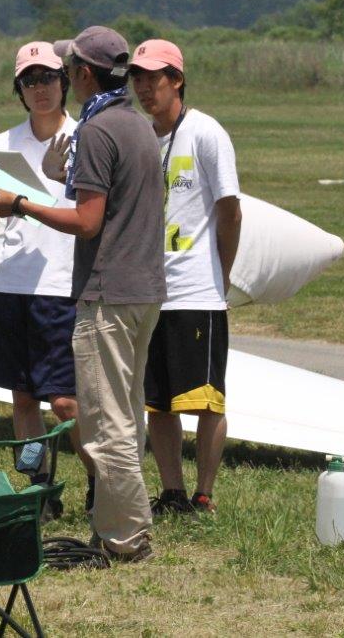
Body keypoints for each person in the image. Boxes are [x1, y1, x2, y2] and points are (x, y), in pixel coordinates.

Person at [0, 26, 165, 563]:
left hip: (107, 294)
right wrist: (59, 181)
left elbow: (89, 222)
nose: (61, 78)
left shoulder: (95, 130)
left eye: (66, 70)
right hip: (144, 292)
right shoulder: (137, 124)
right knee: (127, 416)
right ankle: (122, 524)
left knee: (106, 422)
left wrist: (22, 205)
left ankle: (125, 537)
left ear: (83, 75)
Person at [128, 39, 242, 515]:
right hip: (149, 289)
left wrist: (220, 272)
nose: (144, 88)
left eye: (153, 79)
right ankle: (172, 491)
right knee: (157, 402)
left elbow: (229, 209)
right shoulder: (137, 135)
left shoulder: (205, 132)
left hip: (196, 289)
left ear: (176, 79)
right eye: (137, 79)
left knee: (206, 400)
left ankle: (204, 493)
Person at [0, 42, 79, 515]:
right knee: (21, 397)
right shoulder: (3, 143)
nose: (41, 89)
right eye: (30, 81)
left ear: (65, 83)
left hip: (61, 284)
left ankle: (101, 480)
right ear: (20, 90)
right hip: (12, 281)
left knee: (64, 400)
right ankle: (39, 486)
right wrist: (1, 201)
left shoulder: (85, 137)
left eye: (49, 78)